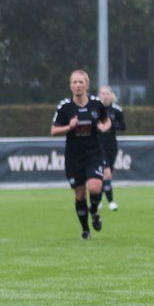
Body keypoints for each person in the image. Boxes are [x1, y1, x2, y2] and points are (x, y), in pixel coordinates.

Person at [51, 69, 110, 239]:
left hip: (94, 154)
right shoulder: (65, 107)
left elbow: (107, 121)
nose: (78, 85)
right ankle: (85, 230)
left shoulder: (97, 104)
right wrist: (69, 127)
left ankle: (94, 212)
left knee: (95, 187)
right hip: (74, 157)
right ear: (70, 86)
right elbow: (53, 130)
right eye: (75, 82)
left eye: (81, 82)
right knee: (80, 194)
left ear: (87, 85)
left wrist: (103, 128)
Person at [97, 85, 125, 210]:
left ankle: (98, 198)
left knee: (106, 176)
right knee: (107, 174)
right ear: (99, 95)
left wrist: (112, 124)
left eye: (107, 93)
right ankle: (111, 202)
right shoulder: (95, 110)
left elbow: (123, 127)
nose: (105, 96)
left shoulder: (116, 111)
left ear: (111, 95)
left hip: (112, 147)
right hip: (98, 146)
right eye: (103, 93)